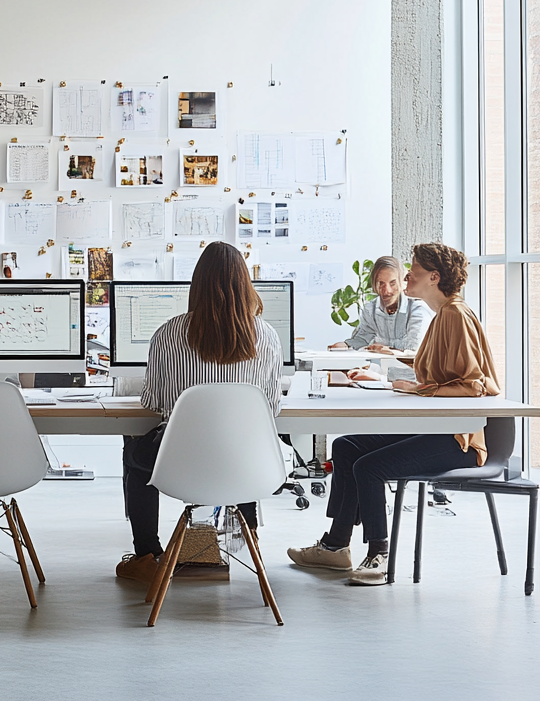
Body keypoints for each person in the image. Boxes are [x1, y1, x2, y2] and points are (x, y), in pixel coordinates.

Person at [288, 242, 500, 586]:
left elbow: (477, 385)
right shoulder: (444, 314)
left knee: (368, 467)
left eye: (412, 271)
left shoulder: (455, 316)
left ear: (433, 277)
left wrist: (418, 389)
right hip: (438, 427)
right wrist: (389, 375)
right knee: (345, 447)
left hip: (457, 438)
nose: (406, 277)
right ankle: (336, 546)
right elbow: (435, 369)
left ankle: (379, 556)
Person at [116, 241, 283, 583]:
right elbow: (271, 407)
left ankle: (147, 555)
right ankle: (248, 534)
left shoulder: (167, 334)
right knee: (242, 443)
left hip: (182, 464)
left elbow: (154, 402)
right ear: (244, 284)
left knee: (135, 454)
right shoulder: (267, 336)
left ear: (197, 284)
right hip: (246, 464)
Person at [328, 255, 432, 355]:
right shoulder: (370, 309)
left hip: (412, 372)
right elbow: (362, 339)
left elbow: (414, 351)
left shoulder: (417, 309)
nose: (387, 291)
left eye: (392, 283)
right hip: (379, 371)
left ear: (401, 282)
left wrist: (386, 350)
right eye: (381, 283)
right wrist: (346, 346)